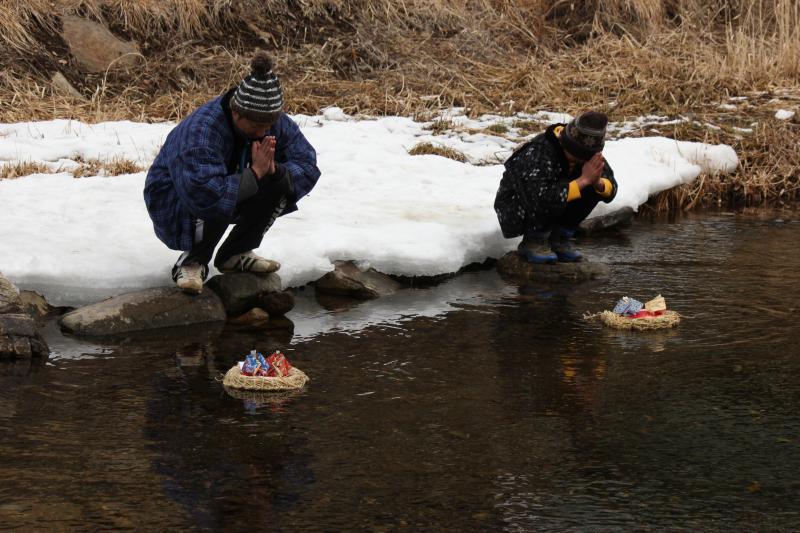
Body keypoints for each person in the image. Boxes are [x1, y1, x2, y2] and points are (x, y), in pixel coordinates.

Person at [144, 52, 321, 294]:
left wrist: (275, 172)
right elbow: (205, 193)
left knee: (280, 182)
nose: (264, 132)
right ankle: (191, 261)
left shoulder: (268, 119)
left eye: (269, 125)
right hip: (176, 200)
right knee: (223, 194)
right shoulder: (201, 132)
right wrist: (254, 174)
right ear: (236, 113)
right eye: (258, 126)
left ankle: (235, 253)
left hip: (227, 184)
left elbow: (307, 163)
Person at [493, 111, 617, 263]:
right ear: (567, 145)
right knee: (577, 184)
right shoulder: (539, 151)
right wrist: (583, 180)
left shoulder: (588, 154)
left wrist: (597, 182)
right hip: (516, 208)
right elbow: (539, 200)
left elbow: (612, 189)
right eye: (577, 156)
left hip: (549, 200)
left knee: (594, 186)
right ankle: (535, 240)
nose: (581, 161)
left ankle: (559, 238)